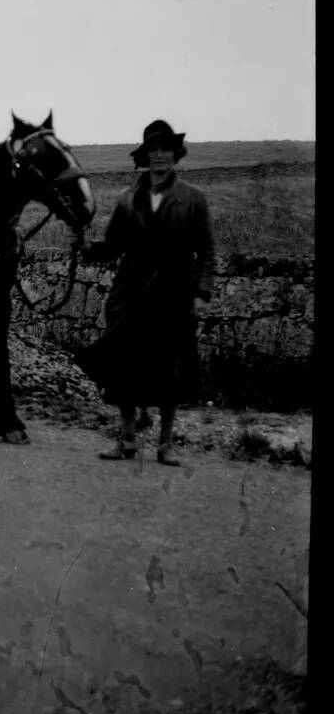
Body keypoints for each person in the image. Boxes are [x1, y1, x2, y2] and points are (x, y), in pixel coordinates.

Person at [77, 120, 215, 466]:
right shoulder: (127, 200)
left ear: (175, 155)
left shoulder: (194, 200)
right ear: (145, 156)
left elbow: (208, 254)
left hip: (173, 296)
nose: (159, 156)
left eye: (165, 149)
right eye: (153, 150)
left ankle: (166, 445)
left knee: (169, 370)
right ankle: (127, 441)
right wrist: (84, 247)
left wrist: (201, 294)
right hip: (130, 297)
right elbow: (111, 246)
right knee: (124, 368)